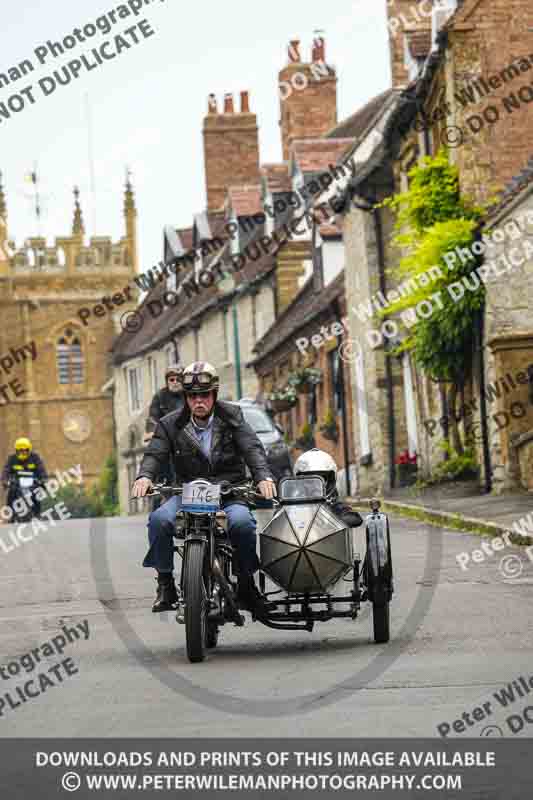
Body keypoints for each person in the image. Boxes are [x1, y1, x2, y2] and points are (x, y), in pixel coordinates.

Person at [131, 361, 277, 615]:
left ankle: (246, 584)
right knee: (158, 520)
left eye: (204, 395)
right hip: (187, 492)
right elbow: (155, 453)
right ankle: (165, 584)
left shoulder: (232, 416)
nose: (199, 401)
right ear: (186, 398)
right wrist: (144, 476)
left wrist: (263, 477)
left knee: (242, 524)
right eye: (192, 396)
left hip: (229, 492)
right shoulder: (169, 424)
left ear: (214, 394)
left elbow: (251, 447)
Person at [143, 364, 185, 505]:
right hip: (167, 440)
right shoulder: (160, 397)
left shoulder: (190, 395)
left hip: (189, 441)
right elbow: (152, 418)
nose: (175, 382)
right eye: (171, 379)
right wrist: (150, 432)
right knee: (158, 456)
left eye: (178, 379)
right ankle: (160, 490)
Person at [293, 449, 363, 528]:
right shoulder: (293, 506)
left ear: (329, 482)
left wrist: (338, 520)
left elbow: (354, 518)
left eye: (321, 479)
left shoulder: (331, 503)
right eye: (309, 481)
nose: (315, 485)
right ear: (300, 482)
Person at [1, 437, 48, 517]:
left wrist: (43, 479)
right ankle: (10, 514)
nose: (23, 452)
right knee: (11, 492)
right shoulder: (12, 458)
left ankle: (37, 514)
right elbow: (6, 470)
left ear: (29, 450)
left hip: (32, 483)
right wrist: (4, 480)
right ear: (16, 450)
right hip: (17, 483)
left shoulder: (35, 457)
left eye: (25, 450)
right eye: (20, 450)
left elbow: (41, 469)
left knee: (37, 493)